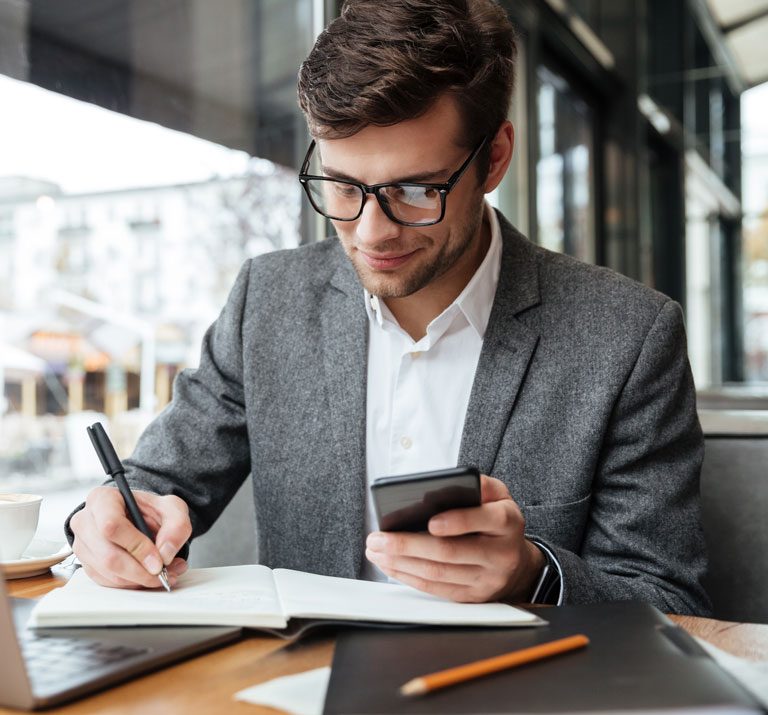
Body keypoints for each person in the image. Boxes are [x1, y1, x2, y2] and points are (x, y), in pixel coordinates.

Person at [67, 0, 711, 614]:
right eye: (343, 187)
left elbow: (669, 600)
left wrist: (533, 574)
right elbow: (153, 485)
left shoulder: (627, 336)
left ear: (494, 158)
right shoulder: (267, 301)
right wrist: (104, 523)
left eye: (414, 189)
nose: (372, 232)